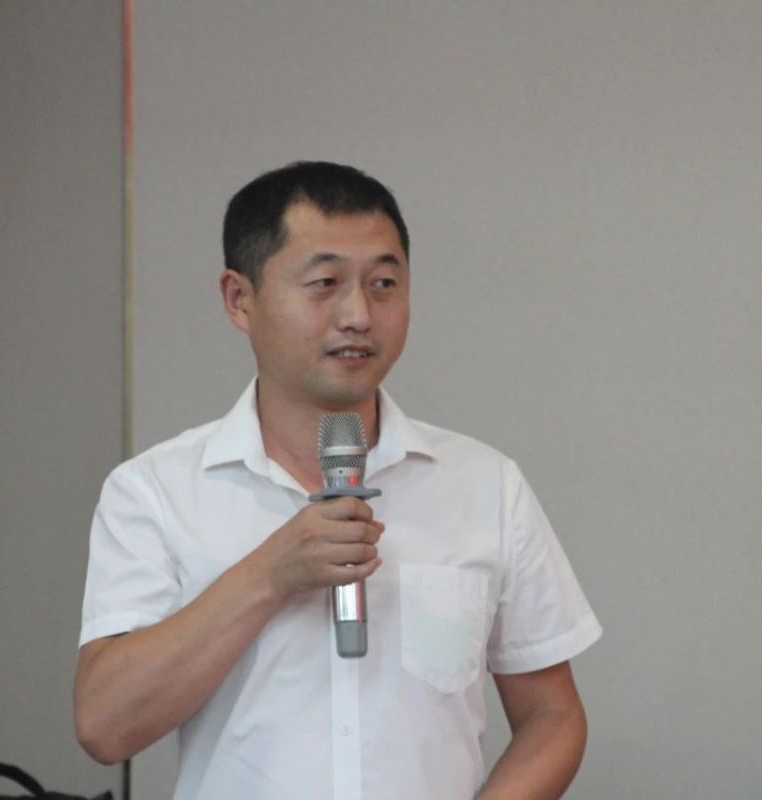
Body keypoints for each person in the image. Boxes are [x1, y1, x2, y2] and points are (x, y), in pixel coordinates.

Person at [74, 161, 602, 799]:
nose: (358, 315)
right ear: (240, 299)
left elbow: (553, 716)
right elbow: (105, 727)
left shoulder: (485, 485)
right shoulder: (155, 491)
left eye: (384, 284)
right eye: (324, 283)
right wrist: (268, 576)